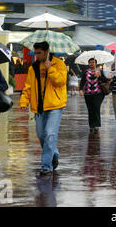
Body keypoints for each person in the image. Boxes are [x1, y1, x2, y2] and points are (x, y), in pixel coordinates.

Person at [20, 41, 67, 176]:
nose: (37, 55)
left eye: (39, 53)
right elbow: (28, 86)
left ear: (46, 52)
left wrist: (50, 69)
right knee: (42, 136)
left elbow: (61, 82)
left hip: (55, 105)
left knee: (50, 134)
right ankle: (54, 153)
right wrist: (24, 100)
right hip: (38, 107)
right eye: (36, 53)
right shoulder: (33, 68)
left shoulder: (59, 64)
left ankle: (46, 166)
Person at [79, 58, 108, 131]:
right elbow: (82, 82)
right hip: (88, 94)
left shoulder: (100, 71)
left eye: (93, 62)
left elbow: (105, 80)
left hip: (98, 93)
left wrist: (99, 76)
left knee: (96, 108)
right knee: (90, 109)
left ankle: (97, 125)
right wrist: (80, 90)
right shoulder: (86, 72)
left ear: (96, 63)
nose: (92, 64)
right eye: (90, 62)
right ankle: (91, 125)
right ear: (88, 64)